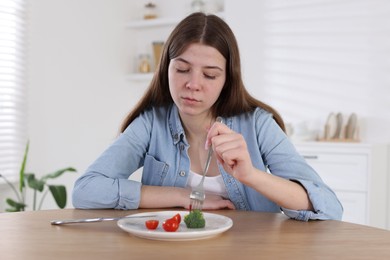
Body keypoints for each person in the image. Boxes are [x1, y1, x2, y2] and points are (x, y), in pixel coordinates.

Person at [72, 12, 343, 221]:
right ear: (166, 69)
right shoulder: (150, 124)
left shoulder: (258, 124)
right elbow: (86, 191)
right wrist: (184, 196)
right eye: (182, 70)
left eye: (210, 74)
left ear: (227, 78)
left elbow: (329, 208)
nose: (193, 84)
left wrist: (250, 174)